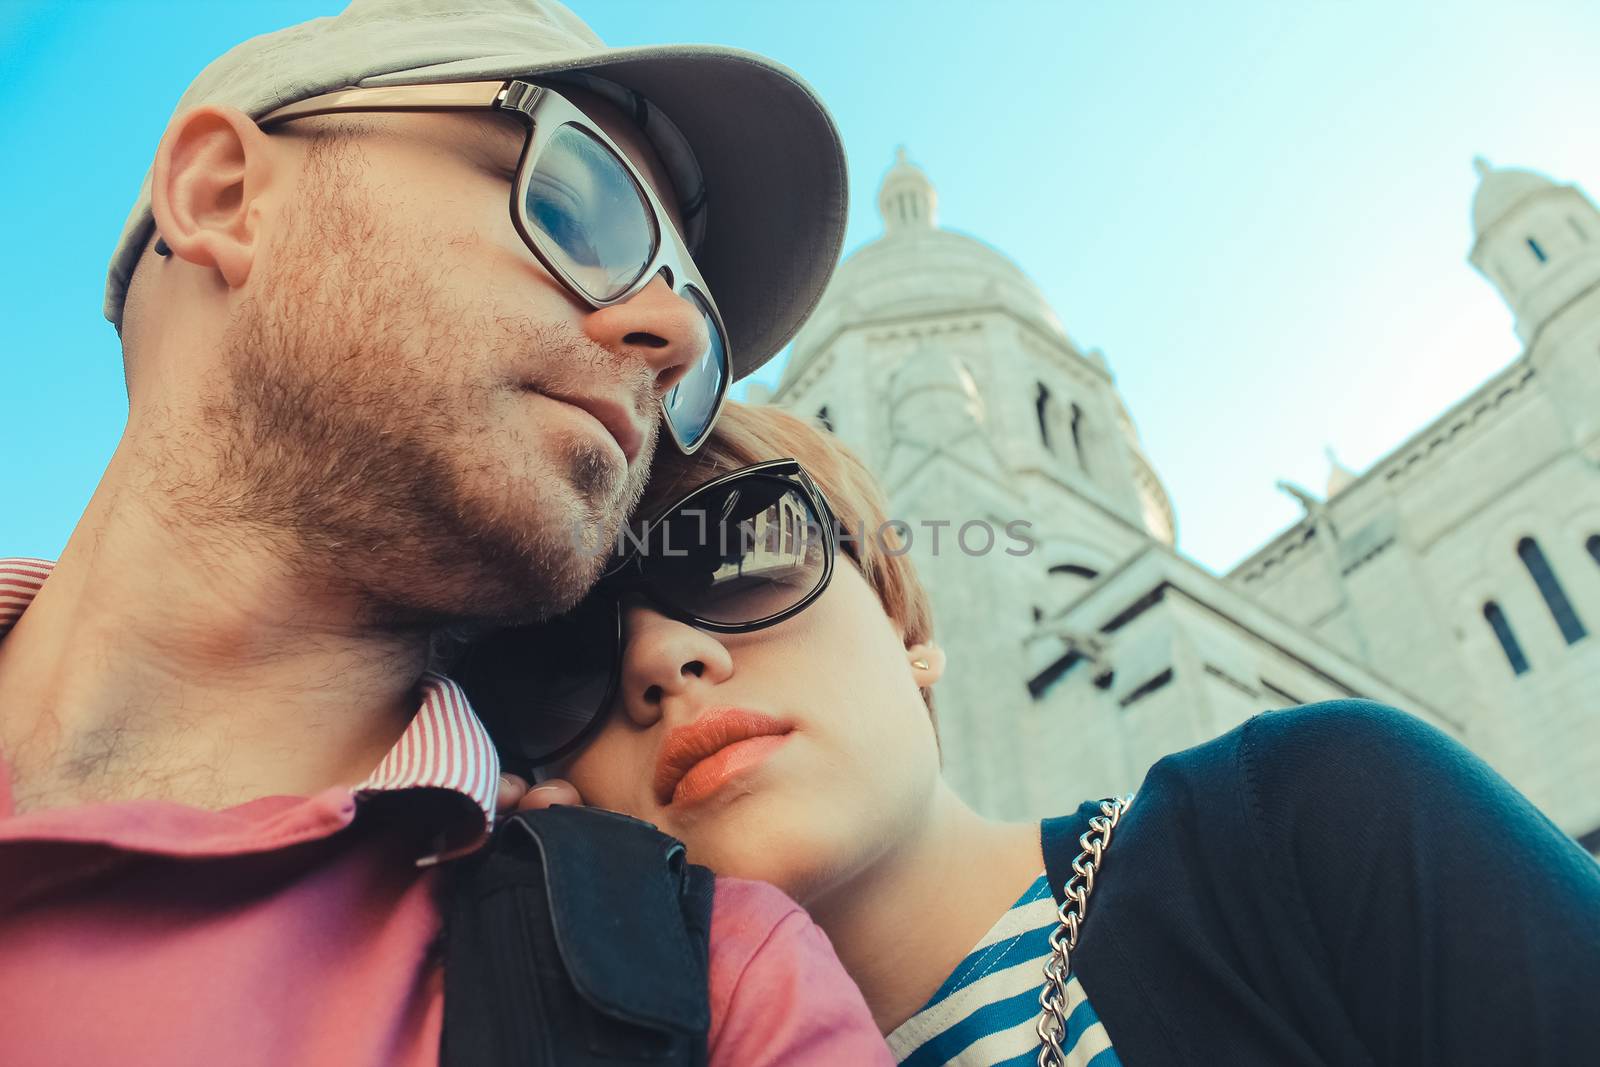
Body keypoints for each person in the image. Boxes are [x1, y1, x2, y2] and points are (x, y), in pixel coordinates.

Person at [0, 1, 894, 1064]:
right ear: (226, 196)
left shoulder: (709, 988)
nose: (677, 337)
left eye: (698, 340)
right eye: (574, 206)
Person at [490, 400, 1600, 1066]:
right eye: (561, 653)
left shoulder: (1314, 817)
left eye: (740, 551)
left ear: (906, 622)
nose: (660, 656)